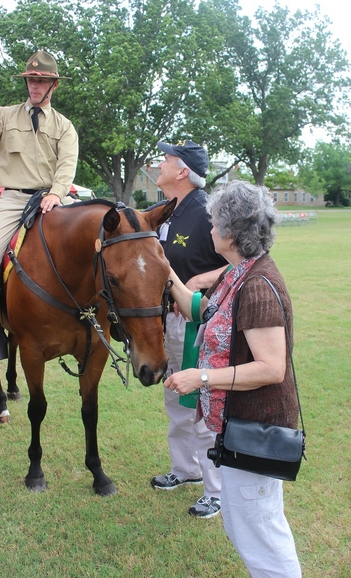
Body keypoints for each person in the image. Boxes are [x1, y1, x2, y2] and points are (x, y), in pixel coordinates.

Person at [165, 180, 302, 577]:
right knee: (248, 524)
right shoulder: (239, 273)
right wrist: (167, 273)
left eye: (213, 223)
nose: (209, 230)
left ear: (229, 232)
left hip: (256, 427)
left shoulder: (257, 284)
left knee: (260, 532)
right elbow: (207, 313)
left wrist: (201, 377)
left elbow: (271, 367)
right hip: (237, 425)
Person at [0, 50, 78, 359]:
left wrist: (57, 193)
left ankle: (92, 315)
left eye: (42, 81)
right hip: (14, 198)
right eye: (31, 80)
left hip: (53, 197)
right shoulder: (5, 115)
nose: (34, 85)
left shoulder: (64, 126)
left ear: (54, 86)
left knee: (84, 243)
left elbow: (67, 165)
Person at [150, 139, 228, 518]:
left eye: (165, 159)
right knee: (175, 396)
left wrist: (199, 281)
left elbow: (247, 262)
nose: (158, 163)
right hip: (167, 320)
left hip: (198, 321)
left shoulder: (210, 210)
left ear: (183, 172)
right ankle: (186, 470)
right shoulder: (166, 209)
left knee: (202, 403)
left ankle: (216, 491)